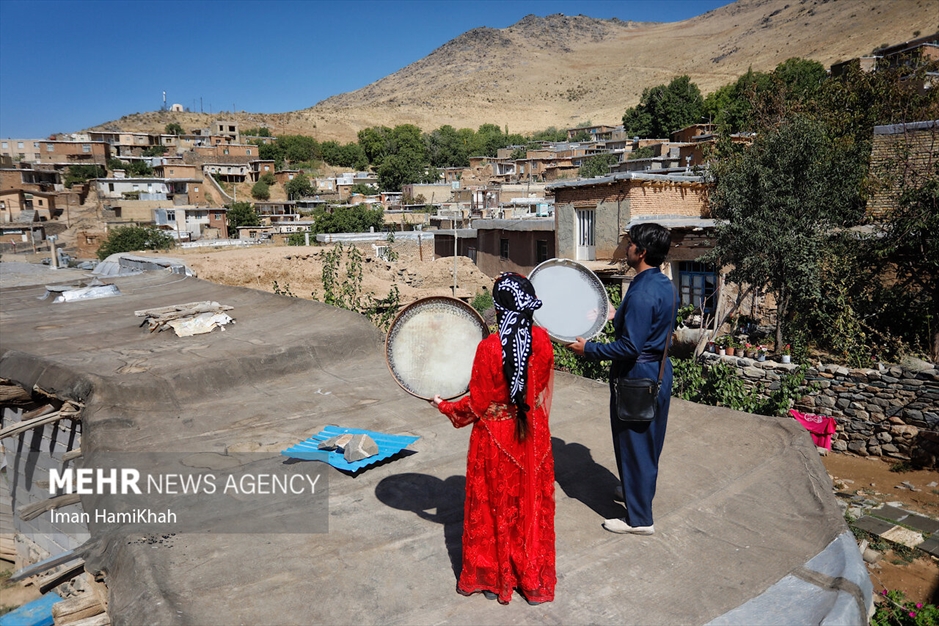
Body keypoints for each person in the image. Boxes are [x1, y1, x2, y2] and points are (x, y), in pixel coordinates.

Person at [432, 272, 556, 605]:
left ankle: (492, 577)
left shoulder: (489, 349)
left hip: (496, 438)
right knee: (529, 504)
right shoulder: (542, 341)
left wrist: (445, 406)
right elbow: (538, 387)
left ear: (499, 309)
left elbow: (477, 404)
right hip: (531, 434)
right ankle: (530, 578)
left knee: (493, 505)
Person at [568, 223, 678, 535]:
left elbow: (630, 347)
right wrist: (618, 314)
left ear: (641, 252)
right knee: (648, 442)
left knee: (635, 446)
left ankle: (640, 519)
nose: (626, 248)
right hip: (658, 371)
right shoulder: (662, 284)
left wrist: (589, 349)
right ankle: (635, 493)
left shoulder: (641, 292)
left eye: (630, 244)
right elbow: (653, 322)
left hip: (637, 378)